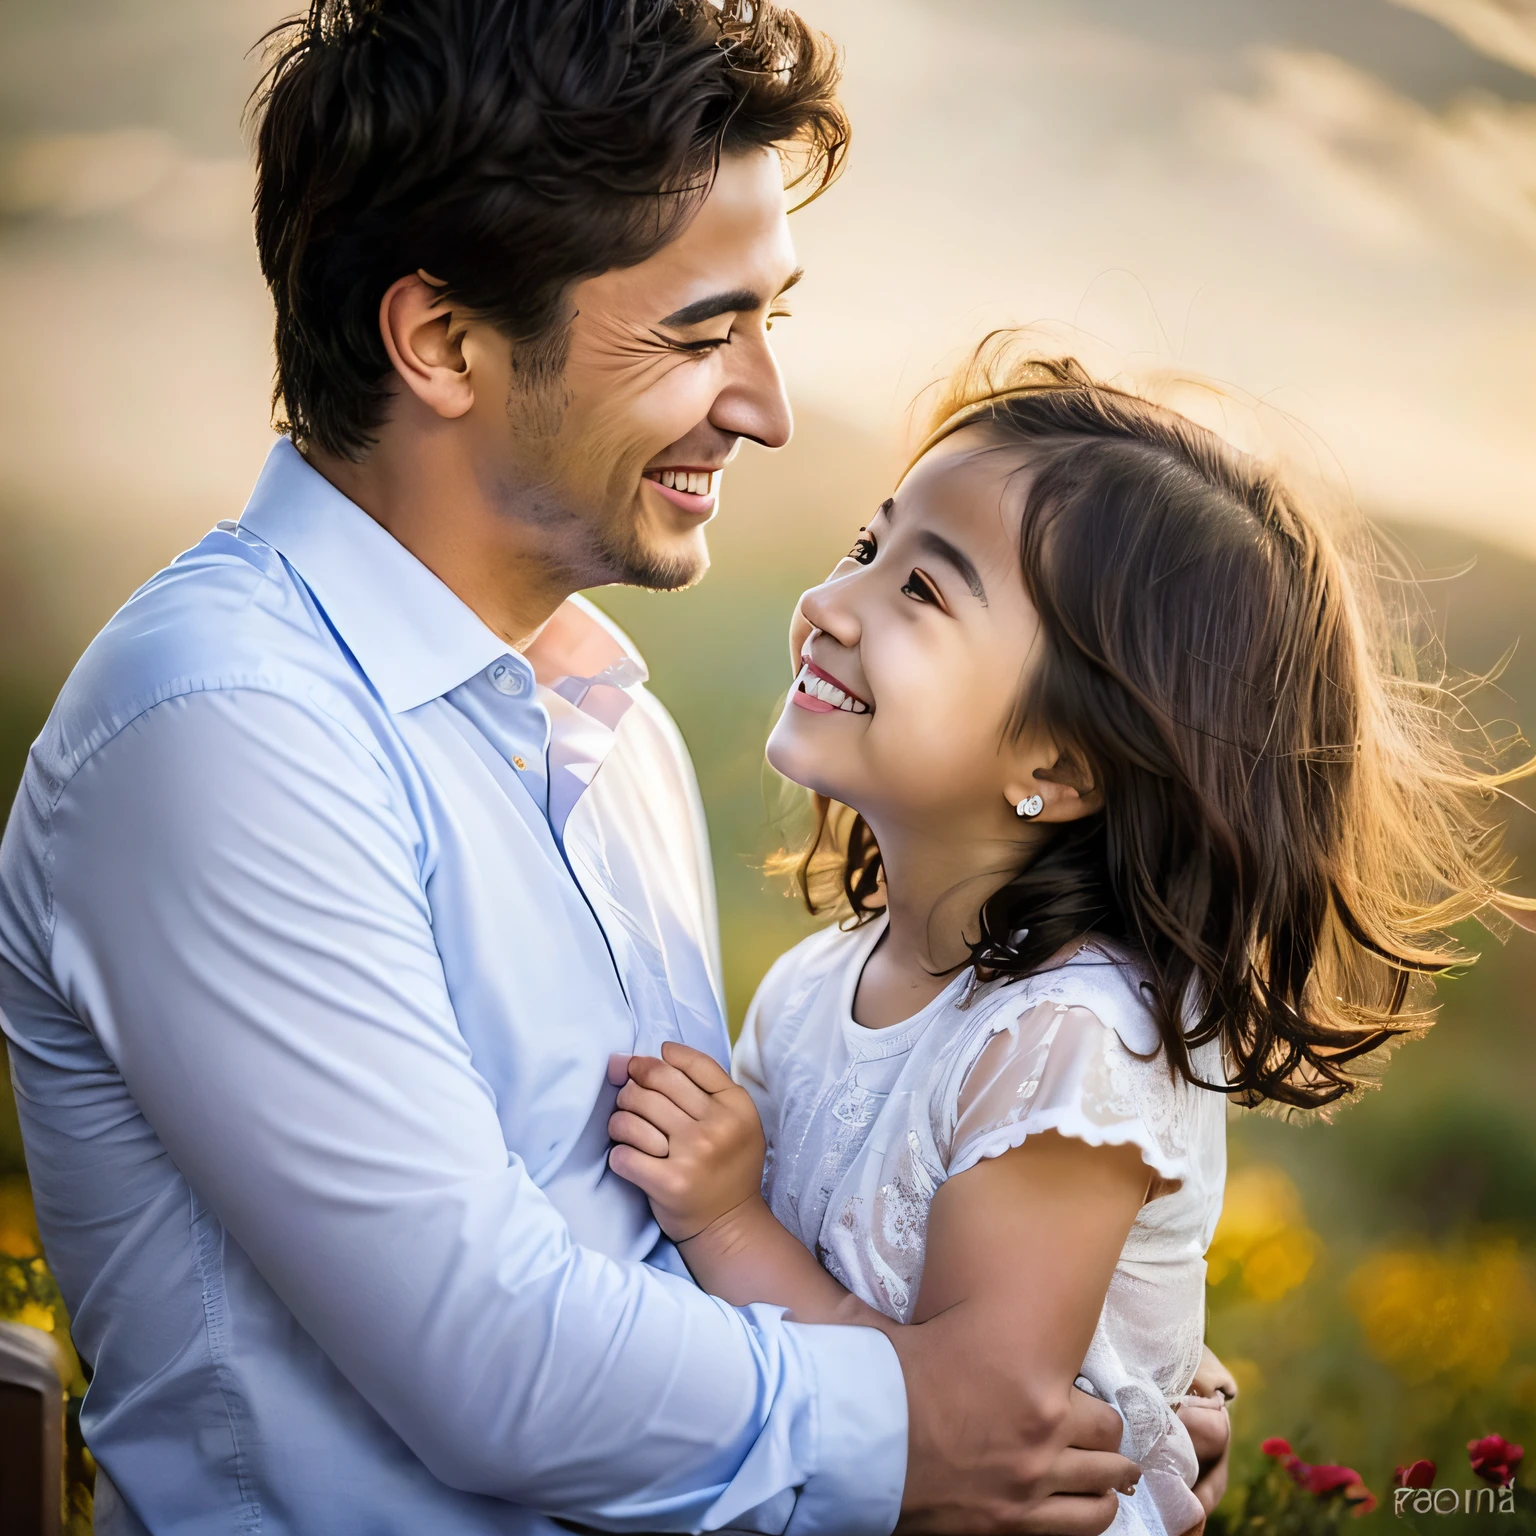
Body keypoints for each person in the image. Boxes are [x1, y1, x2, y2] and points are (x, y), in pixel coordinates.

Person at [0, 5, 1218, 1534]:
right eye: (704, 332)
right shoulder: (223, 725)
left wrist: (1099, 1371)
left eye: (766, 323)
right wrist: (950, 1427)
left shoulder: (607, 728)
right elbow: (489, 1353)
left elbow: (677, 1242)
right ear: (441, 340)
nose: (766, 406)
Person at [605, 350, 1534, 1534]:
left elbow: (972, 1436)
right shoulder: (815, 984)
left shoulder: (1069, 1041)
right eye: (864, 549)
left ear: (1060, 765)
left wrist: (727, 1224)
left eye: (922, 593)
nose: (832, 604)